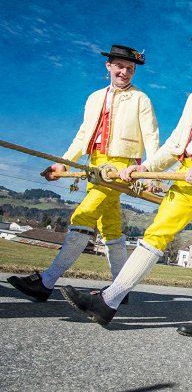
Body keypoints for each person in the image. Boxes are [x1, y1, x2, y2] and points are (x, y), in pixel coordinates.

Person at [60, 28, 192, 338]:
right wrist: (146, 167)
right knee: (155, 235)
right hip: (184, 173)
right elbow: (176, 141)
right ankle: (108, 302)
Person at [8, 45, 159, 303]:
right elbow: (82, 136)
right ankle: (120, 290)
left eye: (130, 69)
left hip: (121, 169)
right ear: (108, 66)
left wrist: (152, 172)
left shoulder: (140, 99)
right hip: (95, 165)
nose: (125, 72)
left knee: (83, 216)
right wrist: (63, 164)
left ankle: (46, 282)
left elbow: (152, 137)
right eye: (120, 66)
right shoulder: (94, 98)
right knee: (110, 228)